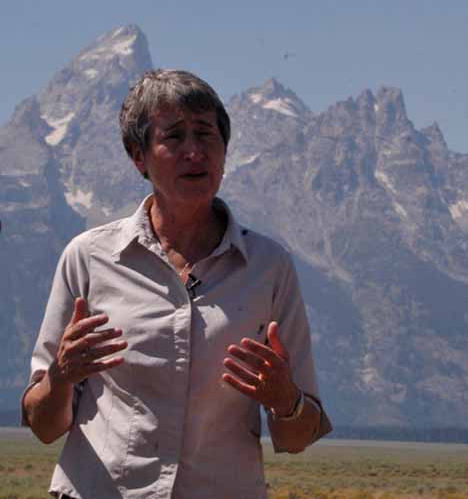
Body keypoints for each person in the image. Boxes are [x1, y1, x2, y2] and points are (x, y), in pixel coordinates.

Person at [21, 69, 331, 498]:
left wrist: (285, 400)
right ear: (138, 156)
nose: (194, 152)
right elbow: (43, 426)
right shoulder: (89, 257)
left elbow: (300, 435)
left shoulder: (270, 267)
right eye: (175, 137)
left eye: (206, 135)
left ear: (225, 151)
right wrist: (60, 376)